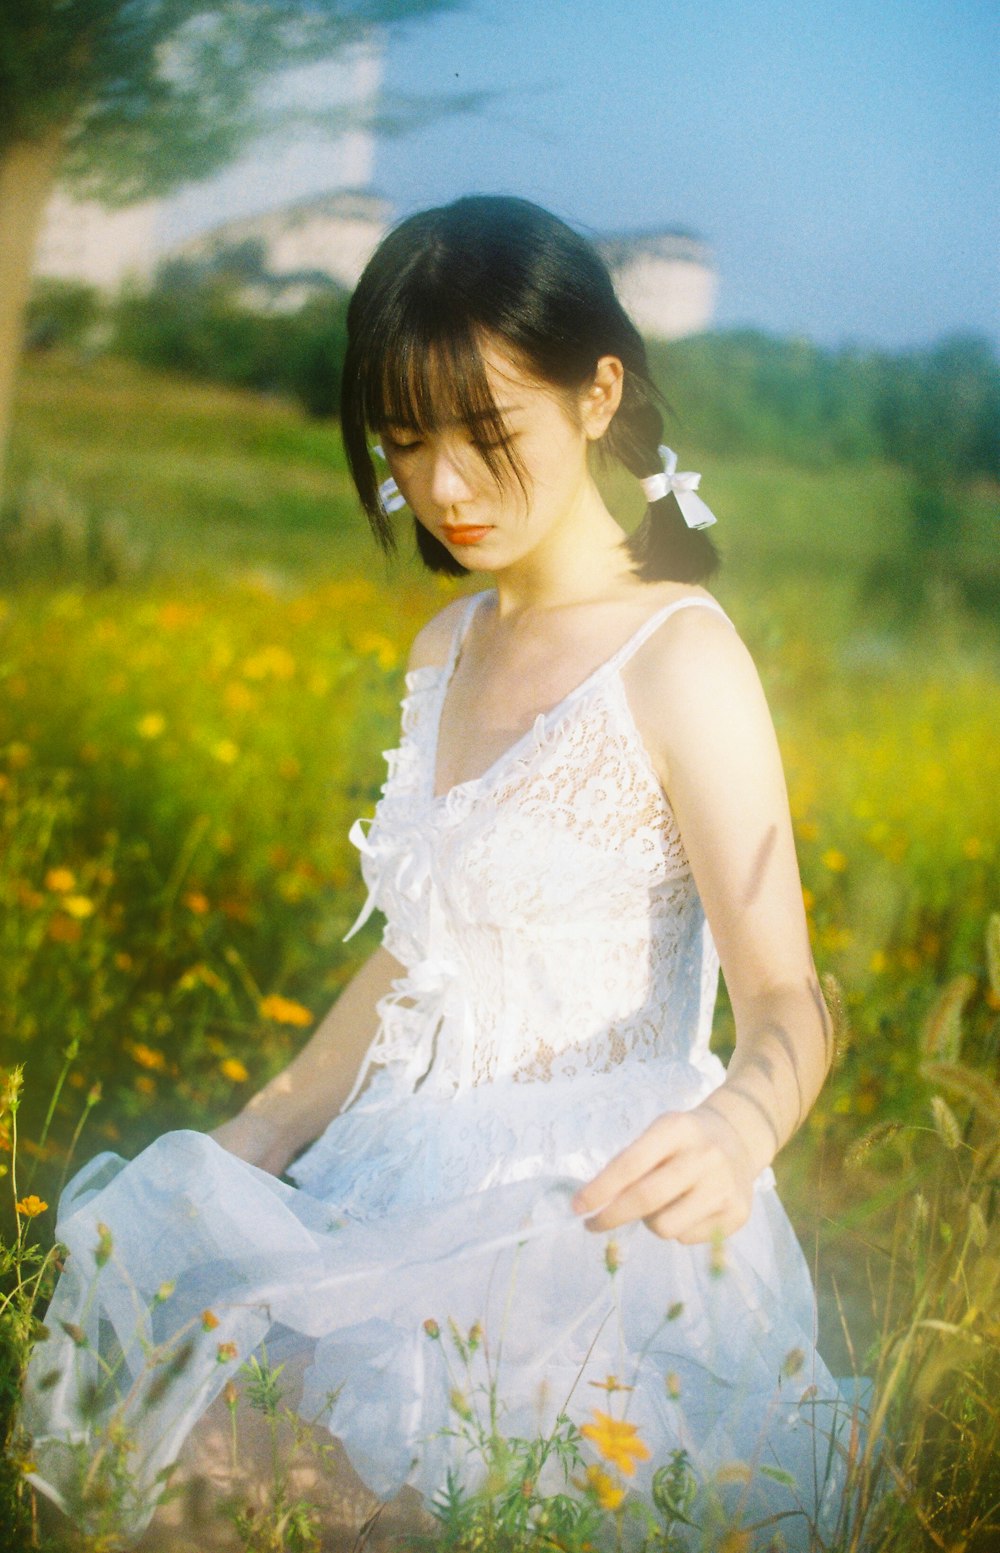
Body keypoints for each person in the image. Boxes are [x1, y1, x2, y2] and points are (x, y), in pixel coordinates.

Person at [23, 195, 862, 1551]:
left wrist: (740, 1126)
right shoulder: (444, 645)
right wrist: (262, 1130)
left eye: (487, 436)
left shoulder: (678, 657)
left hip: (591, 1216)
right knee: (176, 1494)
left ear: (598, 395)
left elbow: (790, 997)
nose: (446, 489)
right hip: (404, 1178)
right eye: (406, 444)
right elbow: (426, 949)